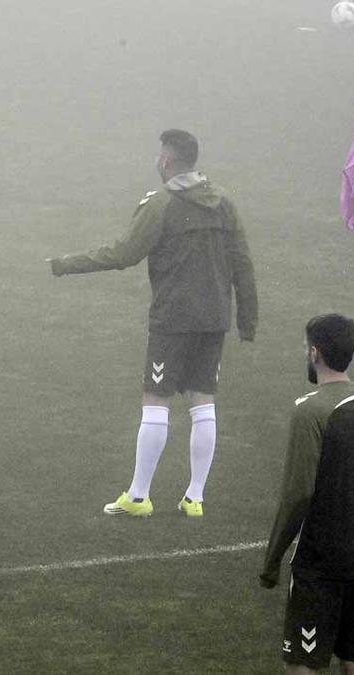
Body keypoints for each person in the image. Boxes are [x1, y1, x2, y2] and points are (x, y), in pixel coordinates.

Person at [48, 129, 258, 518]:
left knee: (155, 399)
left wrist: (66, 265)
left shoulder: (161, 204)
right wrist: (247, 318)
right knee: (202, 400)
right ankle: (195, 497)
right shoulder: (224, 202)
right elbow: (242, 260)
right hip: (214, 319)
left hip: (173, 318)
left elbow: (124, 253)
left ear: (166, 161)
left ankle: (139, 495)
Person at [260, 314, 354, 675]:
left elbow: (297, 493)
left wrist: (272, 559)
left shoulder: (310, 410)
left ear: (315, 353)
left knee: (303, 665)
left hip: (319, 564)